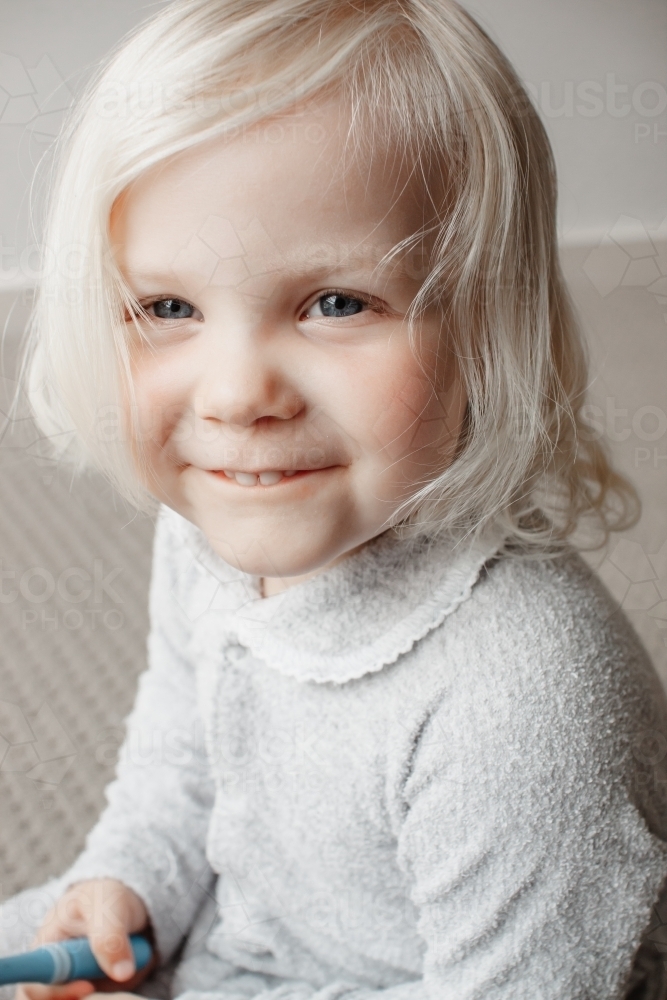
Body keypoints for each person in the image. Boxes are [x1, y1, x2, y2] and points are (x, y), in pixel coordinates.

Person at [2, 0, 667, 997]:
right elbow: (181, 751)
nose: (235, 397)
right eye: (168, 307)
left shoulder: (521, 702)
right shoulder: (219, 521)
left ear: (488, 326)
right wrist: (125, 879)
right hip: (244, 936)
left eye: (336, 302)